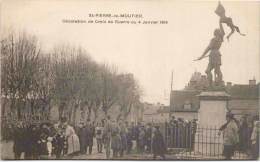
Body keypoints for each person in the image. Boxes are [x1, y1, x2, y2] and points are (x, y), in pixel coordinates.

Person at [195, 20, 225, 87]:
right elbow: (223, 31)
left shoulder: (214, 39)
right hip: (216, 54)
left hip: (214, 55)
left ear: (215, 33)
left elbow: (208, 48)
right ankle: (214, 85)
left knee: (213, 70)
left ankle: (214, 85)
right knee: (211, 70)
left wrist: (201, 56)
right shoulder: (220, 39)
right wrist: (220, 23)